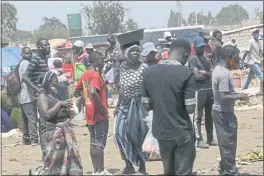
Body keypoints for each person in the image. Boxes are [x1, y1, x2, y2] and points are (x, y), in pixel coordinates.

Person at [142, 39, 196, 175]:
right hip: (182, 131)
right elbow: (190, 108)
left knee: (168, 170)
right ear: (185, 55)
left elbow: (146, 105)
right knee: (183, 171)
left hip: (161, 131)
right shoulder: (186, 74)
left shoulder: (149, 73)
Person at [114, 29, 149, 175]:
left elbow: (148, 88)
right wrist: (117, 106)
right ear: (127, 53)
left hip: (140, 106)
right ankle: (128, 164)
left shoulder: (144, 68)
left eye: (137, 51)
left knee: (139, 135)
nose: (135, 53)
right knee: (120, 133)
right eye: (132, 51)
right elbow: (120, 88)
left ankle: (142, 167)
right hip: (125, 105)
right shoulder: (122, 67)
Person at [34, 71, 83, 175]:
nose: (58, 81)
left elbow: (68, 115)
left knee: (64, 159)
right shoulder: (42, 96)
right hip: (51, 133)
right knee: (52, 161)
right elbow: (46, 115)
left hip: (63, 131)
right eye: (55, 79)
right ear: (49, 82)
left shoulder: (55, 96)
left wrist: (74, 105)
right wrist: (60, 103)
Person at [212, 45, 250, 176]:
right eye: (236, 58)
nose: (237, 61)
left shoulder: (218, 70)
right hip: (224, 112)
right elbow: (223, 97)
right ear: (229, 58)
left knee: (226, 142)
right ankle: (230, 171)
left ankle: (225, 168)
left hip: (220, 111)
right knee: (228, 142)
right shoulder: (223, 74)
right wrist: (239, 96)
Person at [74, 51, 111, 175]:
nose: (103, 62)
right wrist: (102, 108)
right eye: (101, 60)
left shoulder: (85, 75)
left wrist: (85, 101)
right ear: (95, 62)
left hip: (89, 112)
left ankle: (95, 170)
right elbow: (93, 91)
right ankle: (101, 171)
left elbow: (77, 90)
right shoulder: (95, 75)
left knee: (93, 141)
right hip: (99, 114)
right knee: (100, 143)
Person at [22, 38, 51, 159]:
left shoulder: (44, 58)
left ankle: (49, 151)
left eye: (48, 45)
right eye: (45, 45)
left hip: (46, 94)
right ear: (39, 47)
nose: (48, 47)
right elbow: (25, 77)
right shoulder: (35, 59)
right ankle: (45, 154)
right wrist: (37, 89)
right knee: (44, 123)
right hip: (41, 95)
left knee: (48, 122)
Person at [188, 36, 216, 149]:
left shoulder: (206, 59)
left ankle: (210, 138)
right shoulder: (193, 59)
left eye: (203, 46)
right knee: (198, 116)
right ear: (195, 47)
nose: (202, 49)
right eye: (200, 47)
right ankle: (199, 139)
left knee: (210, 115)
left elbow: (212, 73)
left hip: (209, 89)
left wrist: (205, 73)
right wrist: (206, 73)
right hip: (199, 90)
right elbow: (197, 76)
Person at [18, 47, 39, 146]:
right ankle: (34, 139)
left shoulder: (20, 63)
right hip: (28, 96)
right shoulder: (26, 63)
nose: (29, 55)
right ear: (22, 54)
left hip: (21, 96)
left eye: (30, 53)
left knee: (25, 119)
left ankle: (26, 139)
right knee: (32, 118)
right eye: (27, 53)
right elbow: (27, 79)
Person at [241, 28, 263, 95]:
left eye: (258, 32)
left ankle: (244, 89)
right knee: (262, 76)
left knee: (249, 77)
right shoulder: (250, 41)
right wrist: (242, 60)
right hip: (252, 62)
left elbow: (260, 51)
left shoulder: (259, 42)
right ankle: (261, 91)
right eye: (256, 32)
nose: (257, 34)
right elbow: (246, 51)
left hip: (258, 61)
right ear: (253, 34)